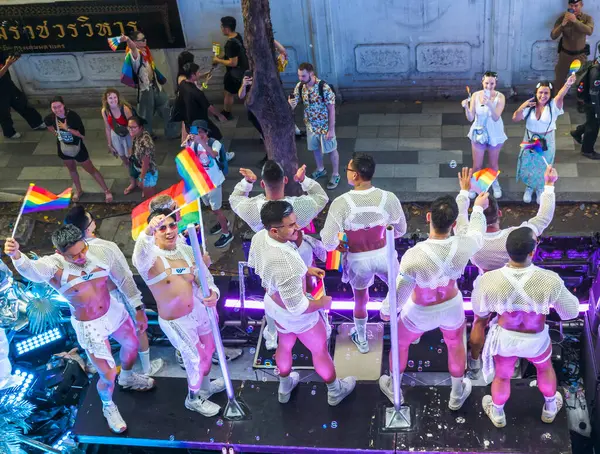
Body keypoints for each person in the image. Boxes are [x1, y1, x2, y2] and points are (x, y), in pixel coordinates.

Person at [4, 225, 154, 433]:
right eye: (74, 256)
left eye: (83, 250)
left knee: (132, 344)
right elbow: (33, 271)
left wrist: (138, 308)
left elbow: (124, 279)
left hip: (113, 310)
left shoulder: (101, 252)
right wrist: (16, 255)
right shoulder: (53, 265)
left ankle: (127, 377)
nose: (82, 257)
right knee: (108, 375)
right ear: (60, 253)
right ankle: (108, 406)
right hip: (88, 324)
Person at [379, 170, 488, 411]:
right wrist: (476, 206)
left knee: (400, 344)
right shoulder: (464, 246)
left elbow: (400, 292)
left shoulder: (414, 255)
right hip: (451, 307)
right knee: (455, 345)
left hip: (420, 311)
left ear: (428, 217)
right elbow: (476, 232)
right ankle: (457, 393)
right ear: (454, 223)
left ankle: (394, 385)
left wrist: (387, 311)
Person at [248, 201, 356, 405]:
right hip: (297, 314)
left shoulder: (260, 237)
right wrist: (322, 303)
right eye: (291, 225)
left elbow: (257, 266)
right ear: (274, 229)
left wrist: (305, 270)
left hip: (274, 306)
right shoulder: (287, 261)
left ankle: (284, 384)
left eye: (294, 222)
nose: (297, 228)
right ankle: (335, 390)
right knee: (319, 350)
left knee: (285, 344)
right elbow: (298, 307)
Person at [473, 227, 580, 428]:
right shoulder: (549, 280)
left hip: (505, 339)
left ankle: (497, 414)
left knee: (503, 375)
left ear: (508, 250)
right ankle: (549, 408)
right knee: (544, 368)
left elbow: (480, 310)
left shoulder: (489, 280)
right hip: (536, 339)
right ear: (532, 252)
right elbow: (571, 312)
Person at [464, 166, 557, 379]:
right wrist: (549, 185)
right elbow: (543, 218)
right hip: (515, 285)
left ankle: (475, 362)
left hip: (487, 285)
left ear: (475, 218)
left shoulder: (470, 239)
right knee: (516, 322)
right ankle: (514, 361)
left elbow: (460, 218)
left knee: (479, 321)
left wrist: (464, 194)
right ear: (499, 213)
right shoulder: (517, 236)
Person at [132, 209, 226, 416]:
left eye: (172, 225)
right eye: (162, 228)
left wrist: (213, 295)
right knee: (196, 360)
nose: (168, 231)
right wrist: (148, 229)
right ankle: (192, 399)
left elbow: (206, 279)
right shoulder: (148, 259)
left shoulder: (187, 251)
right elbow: (139, 253)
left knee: (209, 351)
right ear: (155, 233)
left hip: (200, 312)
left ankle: (206, 388)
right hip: (177, 321)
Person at [229, 160, 329, 349]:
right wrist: (303, 180)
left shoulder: (253, 208)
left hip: (268, 253)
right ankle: (307, 316)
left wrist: (246, 183)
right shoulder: (297, 207)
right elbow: (321, 197)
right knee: (305, 283)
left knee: (273, 288)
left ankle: (273, 333)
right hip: (299, 251)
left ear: (262, 184)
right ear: (285, 180)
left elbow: (235, 199)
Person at [321, 153, 406, 354]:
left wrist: (338, 245)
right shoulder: (388, 198)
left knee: (361, 299)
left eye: (348, 170)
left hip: (358, 259)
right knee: (397, 293)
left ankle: (362, 339)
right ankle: (403, 332)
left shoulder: (341, 203)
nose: (347, 174)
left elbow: (327, 240)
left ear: (356, 175)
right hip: (384, 254)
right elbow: (401, 229)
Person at [64, 204, 164, 376]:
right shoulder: (105, 247)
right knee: (137, 331)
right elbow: (125, 279)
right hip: (116, 298)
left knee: (101, 340)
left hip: (88, 308)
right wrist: (138, 307)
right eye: (92, 219)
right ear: (88, 229)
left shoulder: (66, 254)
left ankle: (101, 371)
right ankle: (145, 369)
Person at [512, 75, 575, 203]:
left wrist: (567, 84)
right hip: (530, 139)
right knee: (528, 164)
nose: (543, 95)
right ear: (536, 93)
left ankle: (541, 188)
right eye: (540, 92)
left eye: (546, 92)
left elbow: (560, 95)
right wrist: (523, 106)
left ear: (550, 93)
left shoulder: (553, 105)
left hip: (546, 141)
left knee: (544, 165)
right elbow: (515, 118)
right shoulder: (530, 105)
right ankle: (529, 187)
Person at [44, 96, 113, 204]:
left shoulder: (72, 116)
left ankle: (106, 190)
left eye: (59, 106)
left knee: (90, 169)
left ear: (63, 105)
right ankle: (79, 190)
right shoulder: (50, 118)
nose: (57, 110)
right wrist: (57, 135)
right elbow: (49, 126)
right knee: (71, 169)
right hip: (64, 148)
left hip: (78, 147)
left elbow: (81, 135)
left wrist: (67, 128)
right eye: (54, 107)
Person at [289, 63, 340, 190]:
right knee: (315, 148)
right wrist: (291, 104)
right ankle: (320, 169)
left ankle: (335, 174)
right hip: (310, 126)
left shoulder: (324, 88)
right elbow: (294, 103)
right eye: (299, 75)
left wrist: (331, 129)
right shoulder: (300, 86)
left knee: (331, 149)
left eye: (303, 75)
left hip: (324, 126)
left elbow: (331, 109)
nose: (300, 78)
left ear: (311, 74)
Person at [184, 120, 234, 248]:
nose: (198, 135)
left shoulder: (214, 143)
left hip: (215, 182)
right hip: (202, 183)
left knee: (216, 209)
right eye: (196, 132)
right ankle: (223, 222)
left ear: (206, 132)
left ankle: (226, 233)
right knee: (211, 207)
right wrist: (188, 142)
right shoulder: (194, 144)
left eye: (201, 132)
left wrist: (201, 142)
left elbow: (213, 154)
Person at [462, 71, 507, 199]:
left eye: (492, 83)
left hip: (494, 132)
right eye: (486, 83)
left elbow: (496, 117)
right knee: (477, 164)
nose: (488, 86)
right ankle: (475, 185)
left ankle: (494, 182)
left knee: (493, 163)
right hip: (479, 131)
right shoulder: (476, 95)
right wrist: (466, 107)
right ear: (482, 82)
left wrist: (489, 104)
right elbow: (470, 117)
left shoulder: (500, 97)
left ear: (495, 83)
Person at [120, 31, 169, 138]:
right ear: (134, 42)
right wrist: (128, 40)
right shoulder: (134, 53)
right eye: (141, 40)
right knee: (146, 114)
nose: (145, 41)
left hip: (154, 85)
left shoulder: (146, 51)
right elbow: (132, 48)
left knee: (165, 104)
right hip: (145, 89)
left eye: (145, 38)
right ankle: (146, 135)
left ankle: (171, 132)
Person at [0, 51, 46, 139]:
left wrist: (13, 57)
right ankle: (9, 133)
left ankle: (37, 123)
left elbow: (6, 57)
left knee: (22, 103)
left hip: (8, 85)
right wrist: (7, 65)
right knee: (4, 113)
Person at [550, 0, 594, 87]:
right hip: (564, 56)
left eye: (576, 5)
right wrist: (562, 25)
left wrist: (575, 21)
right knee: (559, 81)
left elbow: (589, 31)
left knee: (580, 81)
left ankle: (580, 99)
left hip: (579, 56)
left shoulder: (587, 18)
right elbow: (553, 36)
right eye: (571, 5)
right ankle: (556, 99)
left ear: (581, 5)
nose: (573, 8)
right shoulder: (563, 18)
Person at [213, 16, 249, 120]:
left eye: (221, 26)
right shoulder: (237, 36)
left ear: (226, 28)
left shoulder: (230, 44)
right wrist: (219, 57)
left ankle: (226, 113)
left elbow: (233, 62)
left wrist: (217, 60)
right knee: (230, 92)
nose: (221, 28)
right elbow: (231, 54)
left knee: (229, 93)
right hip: (242, 70)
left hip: (234, 74)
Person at [179, 62, 226, 140]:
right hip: (200, 121)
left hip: (189, 120)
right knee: (215, 136)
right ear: (193, 75)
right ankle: (210, 150)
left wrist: (206, 78)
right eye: (198, 72)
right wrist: (220, 115)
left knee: (195, 137)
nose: (199, 73)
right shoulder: (197, 93)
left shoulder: (183, 84)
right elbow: (209, 107)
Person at [101, 88, 135, 194]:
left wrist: (132, 146)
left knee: (134, 159)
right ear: (106, 99)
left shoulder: (125, 109)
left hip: (128, 134)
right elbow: (107, 128)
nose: (113, 100)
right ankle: (133, 182)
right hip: (116, 135)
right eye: (110, 98)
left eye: (115, 97)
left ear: (118, 98)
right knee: (125, 160)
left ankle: (142, 182)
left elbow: (133, 126)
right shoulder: (105, 111)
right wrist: (109, 144)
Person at [572, 51, 600, 160]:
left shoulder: (596, 62)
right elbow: (594, 92)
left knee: (592, 122)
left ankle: (577, 132)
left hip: (594, 101)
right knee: (593, 126)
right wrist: (597, 109)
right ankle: (587, 150)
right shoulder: (596, 71)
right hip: (593, 102)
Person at [128, 116, 159, 199]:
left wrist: (141, 179)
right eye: (129, 127)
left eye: (134, 127)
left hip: (148, 173)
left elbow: (146, 163)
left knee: (151, 198)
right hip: (141, 169)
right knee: (147, 192)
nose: (130, 129)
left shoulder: (145, 143)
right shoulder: (137, 134)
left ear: (141, 127)